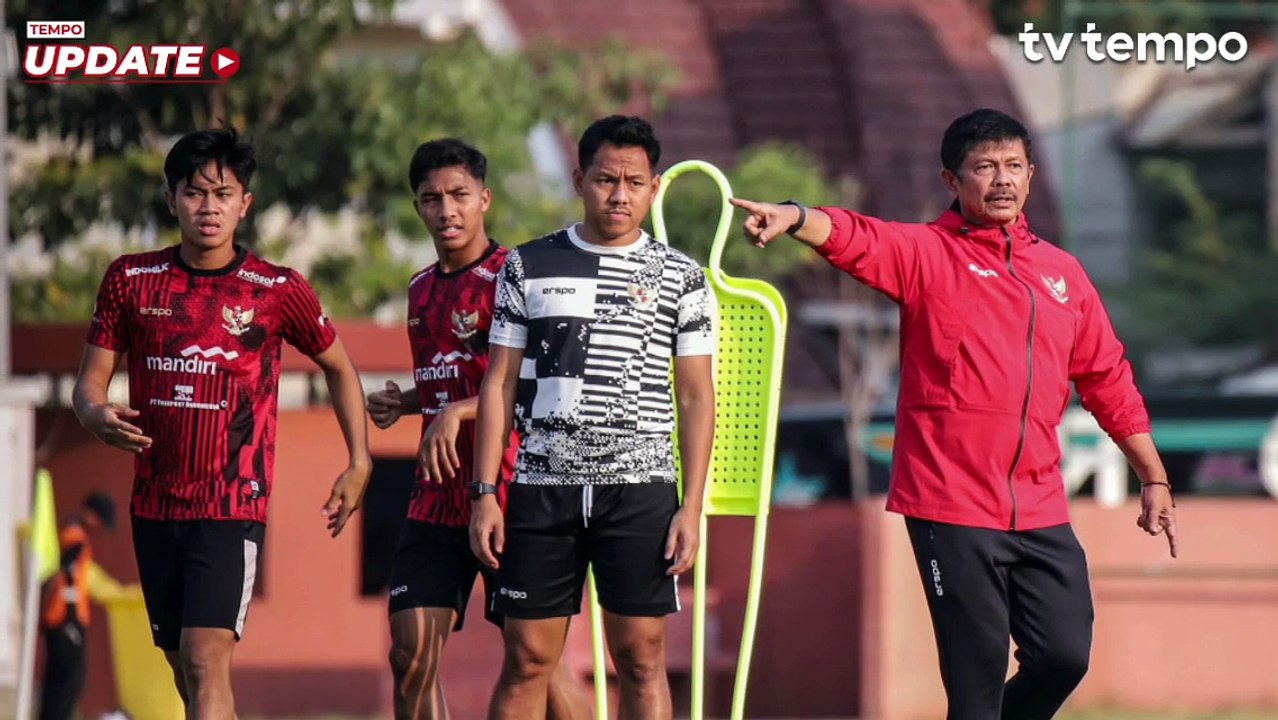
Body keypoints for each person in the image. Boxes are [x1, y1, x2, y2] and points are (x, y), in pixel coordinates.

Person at [731, 108, 1179, 719]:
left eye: (1014, 165)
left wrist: (1152, 475)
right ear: (952, 180)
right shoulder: (927, 255)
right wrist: (795, 216)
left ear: (1030, 174)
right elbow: (858, 236)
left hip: (1040, 505)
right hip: (950, 504)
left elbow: (1107, 377)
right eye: (985, 166)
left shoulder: (1064, 275)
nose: (1003, 179)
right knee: (976, 681)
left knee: (1063, 657)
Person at [72, 127, 371, 720]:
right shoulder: (130, 281)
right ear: (171, 199)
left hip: (231, 504)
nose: (208, 207)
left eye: (223, 194)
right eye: (194, 193)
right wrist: (95, 414)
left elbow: (339, 367)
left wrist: (359, 461)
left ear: (245, 204)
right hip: (155, 504)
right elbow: (89, 386)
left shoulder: (277, 289)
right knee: (186, 671)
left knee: (205, 661)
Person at [470, 115, 718, 720]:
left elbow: (695, 396)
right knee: (528, 658)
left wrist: (691, 507)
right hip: (542, 488)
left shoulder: (683, 277)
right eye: (607, 180)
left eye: (634, 183)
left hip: (639, 490)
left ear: (654, 188)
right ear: (580, 179)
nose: (619, 195)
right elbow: (499, 382)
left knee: (641, 659)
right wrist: (484, 493)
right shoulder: (526, 265)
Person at [365, 138, 590, 720]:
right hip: (436, 501)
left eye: (459, 194)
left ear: (484, 198)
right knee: (410, 656)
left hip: (513, 494)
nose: (447, 210)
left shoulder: (519, 276)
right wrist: (406, 402)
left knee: (539, 662)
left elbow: (543, 383)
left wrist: (458, 413)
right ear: (418, 207)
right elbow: (456, 377)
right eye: (431, 198)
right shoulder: (419, 289)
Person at [38, 492, 122, 720]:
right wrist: (70, 619)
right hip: (65, 618)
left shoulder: (76, 535)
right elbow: (64, 574)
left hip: (64, 618)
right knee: (69, 681)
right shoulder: (74, 535)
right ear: (91, 515)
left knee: (65, 680)